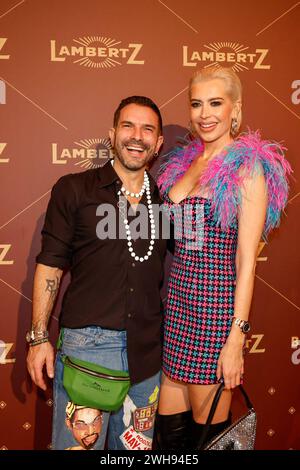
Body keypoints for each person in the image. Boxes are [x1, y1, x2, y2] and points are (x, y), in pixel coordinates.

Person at [155, 66, 291, 449]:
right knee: (169, 439)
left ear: (236, 108)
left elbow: (248, 262)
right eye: (197, 104)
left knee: (207, 440)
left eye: (216, 102)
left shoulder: (247, 167)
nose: (205, 113)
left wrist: (236, 339)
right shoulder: (188, 162)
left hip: (214, 315)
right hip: (178, 309)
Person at [26, 95, 166, 450]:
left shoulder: (165, 202)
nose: (137, 136)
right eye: (128, 126)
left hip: (147, 357)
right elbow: (51, 263)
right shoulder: (75, 189)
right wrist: (39, 337)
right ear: (112, 134)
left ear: (158, 142)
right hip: (88, 349)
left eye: (148, 129)